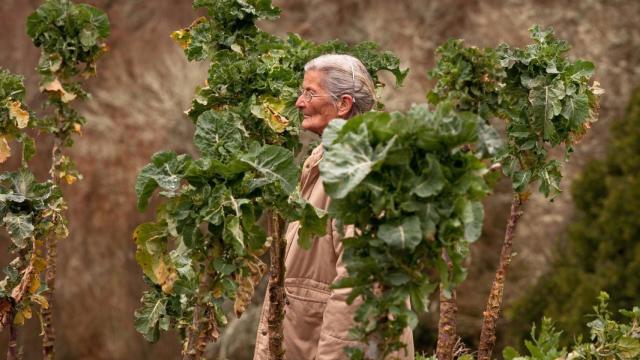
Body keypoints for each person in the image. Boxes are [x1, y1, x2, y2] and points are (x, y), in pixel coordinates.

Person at [253, 54, 414, 360]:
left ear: (344, 104)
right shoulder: (321, 162)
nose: (300, 102)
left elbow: (357, 287)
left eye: (310, 93)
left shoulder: (358, 170)